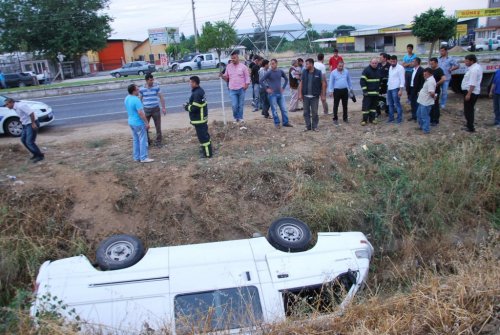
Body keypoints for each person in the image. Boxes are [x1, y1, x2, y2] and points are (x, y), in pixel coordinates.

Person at [4, 98, 45, 163]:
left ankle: (40, 156)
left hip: (31, 124)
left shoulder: (20, 106)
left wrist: (33, 123)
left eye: (7, 104)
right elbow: (23, 115)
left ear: (11, 102)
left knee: (29, 141)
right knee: (23, 140)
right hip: (25, 124)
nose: (6, 106)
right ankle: (35, 154)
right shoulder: (15, 107)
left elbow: (31, 113)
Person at [184, 76, 212, 158]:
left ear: (194, 83)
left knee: (203, 137)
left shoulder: (197, 93)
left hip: (199, 119)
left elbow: (194, 108)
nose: (190, 84)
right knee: (205, 135)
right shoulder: (200, 91)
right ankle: (206, 149)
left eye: (191, 82)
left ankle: (207, 154)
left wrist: (186, 107)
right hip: (202, 118)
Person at [259, 58, 292, 129]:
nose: (271, 65)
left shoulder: (280, 71)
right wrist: (267, 88)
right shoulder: (269, 72)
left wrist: (283, 87)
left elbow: (286, 79)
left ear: (277, 63)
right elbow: (261, 81)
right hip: (272, 94)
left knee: (284, 109)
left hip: (280, 93)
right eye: (271, 64)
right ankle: (277, 123)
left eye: (273, 63)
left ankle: (285, 122)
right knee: (274, 110)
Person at [125, 84, 153, 163]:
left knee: (136, 140)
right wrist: (146, 123)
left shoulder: (127, 98)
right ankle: (143, 157)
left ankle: (136, 157)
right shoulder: (136, 100)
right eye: (137, 89)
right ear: (134, 91)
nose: (139, 91)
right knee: (142, 140)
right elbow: (141, 113)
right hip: (138, 123)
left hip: (131, 122)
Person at [221, 51, 250, 126]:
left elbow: (247, 77)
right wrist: (222, 76)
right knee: (234, 105)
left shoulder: (243, 67)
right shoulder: (228, 66)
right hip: (232, 89)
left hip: (241, 89)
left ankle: (240, 118)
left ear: (237, 58)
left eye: (234, 58)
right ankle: (235, 117)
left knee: (240, 104)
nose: (233, 59)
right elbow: (226, 78)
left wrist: (246, 85)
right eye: (232, 58)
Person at [298, 58, 326, 131]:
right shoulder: (304, 72)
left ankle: (315, 126)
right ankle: (308, 126)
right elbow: (301, 83)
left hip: (315, 96)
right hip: (305, 96)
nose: (305, 65)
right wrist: (300, 94)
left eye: (307, 64)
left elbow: (323, 84)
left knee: (314, 112)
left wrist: (323, 95)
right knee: (306, 112)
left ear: (311, 64)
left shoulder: (318, 72)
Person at [139, 73, 166, 146]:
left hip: (155, 109)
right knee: (145, 126)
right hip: (146, 110)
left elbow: (161, 97)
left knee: (158, 126)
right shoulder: (142, 88)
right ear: (146, 80)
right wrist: (140, 110)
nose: (152, 81)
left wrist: (163, 108)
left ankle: (158, 141)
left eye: (152, 80)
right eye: (150, 80)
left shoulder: (156, 87)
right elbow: (139, 100)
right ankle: (147, 141)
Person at [461, 54, 483, 133]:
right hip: (471, 91)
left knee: (468, 110)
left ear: (472, 61)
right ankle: (469, 124)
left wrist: (468, 94)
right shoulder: (476, 67)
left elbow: (472, 83)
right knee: (469, 109)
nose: (465, 62)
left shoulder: (474, 69)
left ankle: (470, 127)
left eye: (467, 61)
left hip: (471, 92)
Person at [360, 58, 381, 125]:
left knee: (373, 108)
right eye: (373, 63)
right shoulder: (366, 70)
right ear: (370, 63)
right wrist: (365, 91)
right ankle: (364, 120)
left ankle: (372, 119)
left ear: (377, 64)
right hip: (368, 94)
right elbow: (362, 81)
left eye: (375, 63)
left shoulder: (378, 70)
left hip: (375, 94)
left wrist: (379, 91)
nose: (374, 64)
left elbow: (379, 82)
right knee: (366, 107)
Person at [416, 68, 436, 134]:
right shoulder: (428, 80)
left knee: (425, 116)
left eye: (425, 73)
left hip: (426, 102)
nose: (424, 74)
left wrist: (433, 98)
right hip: (422, 101)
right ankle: (422, 126)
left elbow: (432, 93)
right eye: (424, 73)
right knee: (419, 114)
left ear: (430, 73)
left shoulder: (430, 81)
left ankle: (426, 130)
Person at [386, 55, 405, 123]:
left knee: (397, 104)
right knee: (390, 104)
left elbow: (402, 80)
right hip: (390, 88)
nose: (392, 62)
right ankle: (391, 118)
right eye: (391, 61)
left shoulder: (400, 68)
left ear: (396, 60)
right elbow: (390, 78)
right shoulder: (390, 67)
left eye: (394, 61)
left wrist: (400, 90)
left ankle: (399, 119)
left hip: (396, 88)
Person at [428, 58, 446, 126]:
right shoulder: (431, 70)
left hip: (436, 91)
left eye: (432, 63)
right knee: (431, 105)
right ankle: (431, 119)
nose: (431, 65)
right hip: (430, 90)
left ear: (436, 63)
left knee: (435, 105)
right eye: (430, 63)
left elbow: (444, 78)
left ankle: (435, 120)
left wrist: (437, 83)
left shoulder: (439, 70)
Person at [408, 57, 424, 121]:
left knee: (417, 103)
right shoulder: (413, 70)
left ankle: (418, 117)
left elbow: (422, 82)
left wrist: (419, 90)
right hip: (412, 88)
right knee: (412, 103)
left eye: (413, 61)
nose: (412, 62)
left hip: (417, 89)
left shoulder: (421, 70)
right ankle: (413, 116)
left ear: (417, 62)